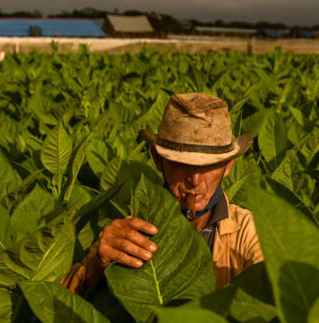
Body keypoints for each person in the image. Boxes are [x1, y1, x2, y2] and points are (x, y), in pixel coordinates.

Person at [61, 92, 264, 295]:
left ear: (228, 166)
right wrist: (96, 264)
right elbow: (59, 308)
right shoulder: (131, 232)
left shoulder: (248, 233)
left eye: (209, 166)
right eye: (182, 163)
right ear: (158, 160)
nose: (194, 180)